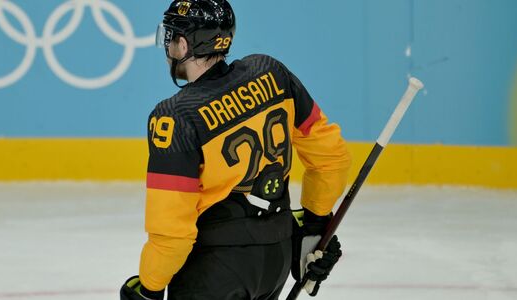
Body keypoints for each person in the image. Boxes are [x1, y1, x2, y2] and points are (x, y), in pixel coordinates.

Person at [120, 1, 352, 299]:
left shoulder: (175, 117)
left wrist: (149, 288)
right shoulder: (272, 73)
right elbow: (331, 157)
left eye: (171, 36)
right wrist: (315, 223)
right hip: (276, 259)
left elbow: (172, 232)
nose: (167, 45)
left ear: (183, 44)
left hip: (215, 271)